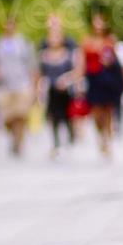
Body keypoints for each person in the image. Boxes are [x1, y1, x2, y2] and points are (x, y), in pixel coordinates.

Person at [81, 12, 123, 159]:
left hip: (107, 80)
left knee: (108, 112)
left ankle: (107, 140)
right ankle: (101, 136)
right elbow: (82, 62)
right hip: (93, 81)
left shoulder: (110, 41)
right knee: (96, 114)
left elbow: (115, 62)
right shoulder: (87, 41)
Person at [0, 18, 37, 157]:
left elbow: (31, 64)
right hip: (5, 86)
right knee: (8, 118)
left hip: (22, 84)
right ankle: (14, 135)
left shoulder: (23, 42)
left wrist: (34, 86)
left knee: (21, 115)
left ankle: (19, 141)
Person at [38, 16, 77, 158]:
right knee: (53, 116)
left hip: (66, 89)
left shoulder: (70, 45)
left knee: (67, 115)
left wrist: (69, 80)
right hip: (51, 89)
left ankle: (70, 136)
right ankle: (56, 143)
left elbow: (76, 67)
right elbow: (40, 72)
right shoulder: (44, 49)